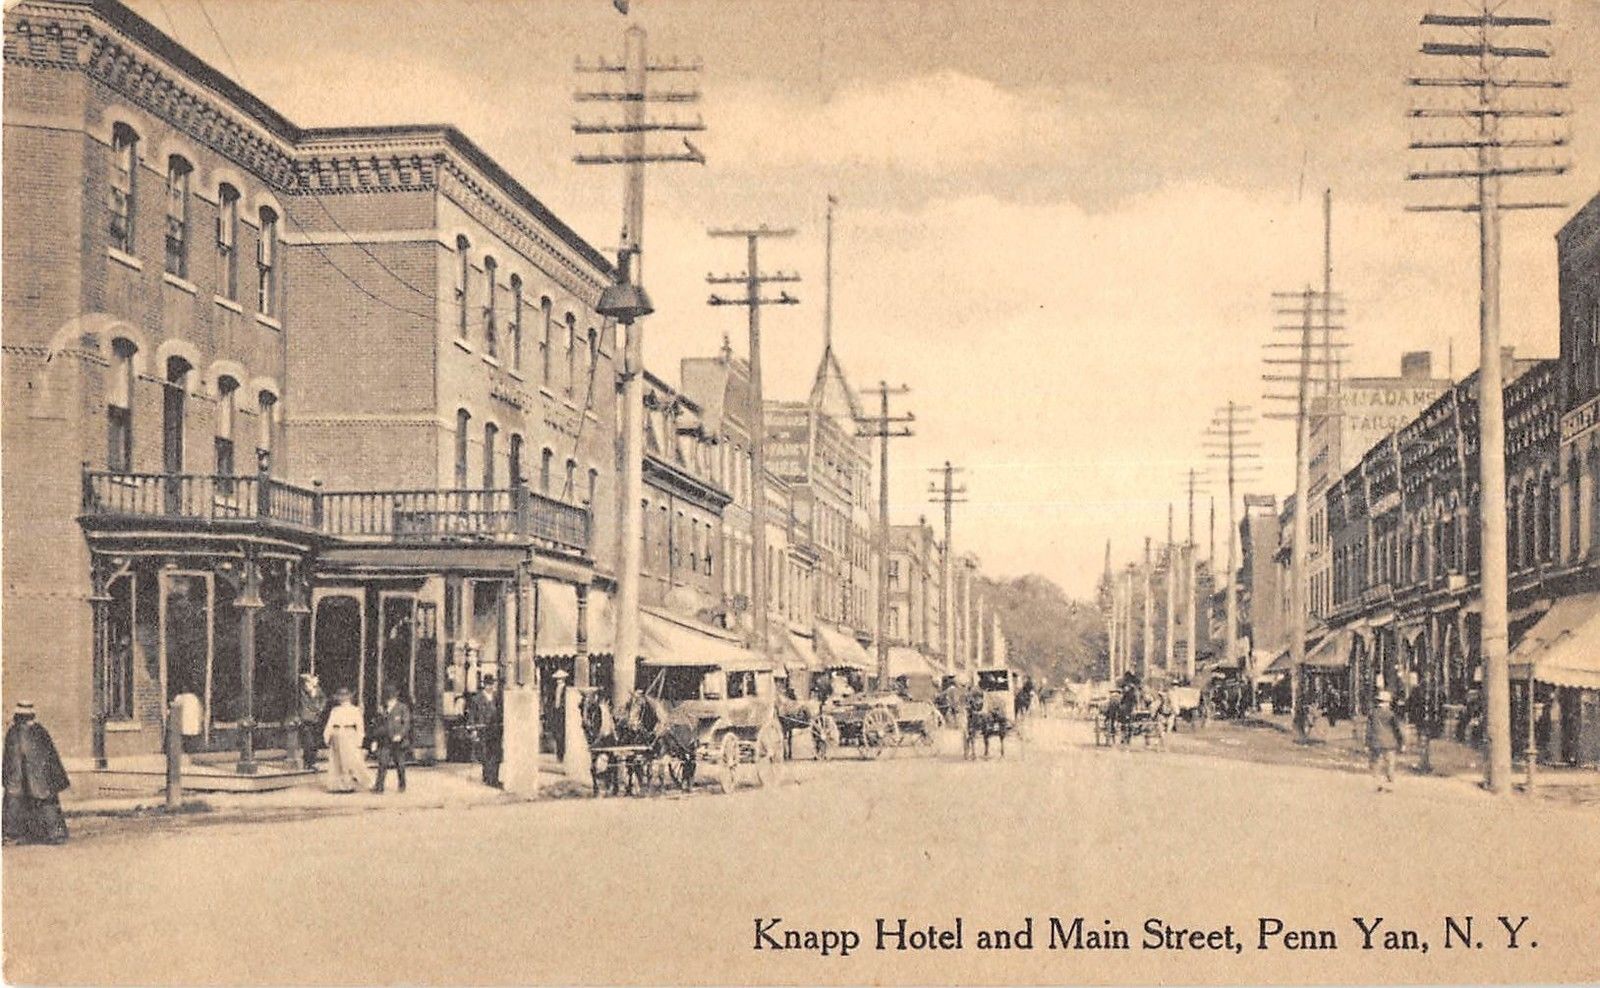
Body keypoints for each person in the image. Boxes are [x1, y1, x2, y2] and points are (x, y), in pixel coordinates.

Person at [3, 701, 70, 846]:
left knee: (19, 804)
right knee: (43, 803)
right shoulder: (38, 731)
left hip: (22, 778)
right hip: (37, 778)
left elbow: (9, 759)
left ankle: (15, 834)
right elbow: (51, 755)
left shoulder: (14, 732)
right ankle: (52, 834)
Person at [322, 688, 372, 793]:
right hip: (336, 733)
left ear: (349, 697)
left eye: (345, 696)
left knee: (349, 760)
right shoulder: (335, 710)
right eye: (340, 696)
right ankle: (338, 786)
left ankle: (349, 785)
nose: (343, 698)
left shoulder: (355, 710)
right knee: (337, 761)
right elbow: (330, 723)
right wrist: (327, 736)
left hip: (349, 734)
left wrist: (359, 741)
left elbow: (360, 726)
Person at [371, 684, 412, 794]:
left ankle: (402, 784)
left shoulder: (402, 708)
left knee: (400, 764)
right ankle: (379, 787)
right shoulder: (382, 709)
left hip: (398, 742)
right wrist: (375, 739)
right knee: (382, 763)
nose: (389, 700)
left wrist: (400, 735)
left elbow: (406, 724)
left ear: (396, 697)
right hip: (385, 740)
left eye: (391, 697)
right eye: (388, 697)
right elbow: (377, 724)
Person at [1366, 690, 1406, 792]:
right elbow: (1397, 729)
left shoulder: (1372, 714)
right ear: (1388, 702)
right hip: (1390, 743)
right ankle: (1389, 784)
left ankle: (1377, 784)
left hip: (1375, 742)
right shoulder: (1391, 714)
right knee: (1390, 764)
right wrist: (1402, 742)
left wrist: (1367, 743)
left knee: (1376, 764)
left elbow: (1369, 729)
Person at [469, 674, 503, 788]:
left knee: (496, 754)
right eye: (488, 684)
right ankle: (488, 778)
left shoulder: (497, 697)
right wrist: (473, 730)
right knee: (486, 754)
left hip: (496, 729)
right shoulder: (477, 699)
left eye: (491, 684)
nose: (490, 687)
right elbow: (472, 715)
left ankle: (495, 778)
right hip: (483, 729)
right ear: (484, 685)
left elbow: (501, 713)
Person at [296, 673, 326, 770]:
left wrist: (320, 709)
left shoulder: (317, 690)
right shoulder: (302, 692)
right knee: (309, 742)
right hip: (305, 719)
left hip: (315, 719)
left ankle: (310, 762)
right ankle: (311, 762)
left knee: (315, 742)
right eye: (308, 682)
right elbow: (302, 704)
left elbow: (323, 700)